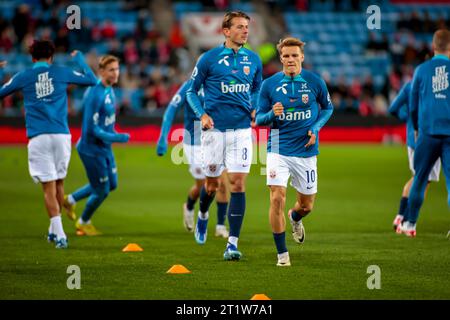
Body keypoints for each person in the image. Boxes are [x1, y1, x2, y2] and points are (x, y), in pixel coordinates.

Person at [0, 40, 97, 248]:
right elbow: (92, 80)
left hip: (39, 137)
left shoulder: (24, 76)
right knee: (59, 183)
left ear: (32, 57)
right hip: (62, 136)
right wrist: (80, 60)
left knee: (48, 188)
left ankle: (60, 234)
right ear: (51, 57)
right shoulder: (61, 72)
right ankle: (54, 231)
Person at [186, 11, 262, 261]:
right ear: (226, 31)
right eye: (240, 27)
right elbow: (191, 93)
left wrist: (254, 107)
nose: (245, 31)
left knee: (238, 183)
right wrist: (202, 115)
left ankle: (232, 243)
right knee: (212, 186)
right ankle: (203, 216)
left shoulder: (253, 59)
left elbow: (257, 89)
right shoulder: (208, 59)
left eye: (247, 27)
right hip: (214, 132)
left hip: (241, 131)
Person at [256, 37, 333, 266]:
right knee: (277, 198)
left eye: (294, 55)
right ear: (281, 58)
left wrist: (315, 128)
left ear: (302, 57)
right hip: (277, 147)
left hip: (306, 151)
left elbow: (328, 107)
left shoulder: (315, 81)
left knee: (306, 205)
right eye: (286, 56)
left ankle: (295, 217)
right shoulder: (268, 85)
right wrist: (272, 114)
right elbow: (259, 119)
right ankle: (282, 254)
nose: (290, 59)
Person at [63, 55, 130, 236]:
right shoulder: (94, 93)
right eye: (111, 70)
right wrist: (118, 137)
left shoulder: (109, 90)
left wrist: (113, 135)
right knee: (102, 190)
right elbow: (92, 130)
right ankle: (83, 222)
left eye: (117, 69)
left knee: (112, 184)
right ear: (101, 72)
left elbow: (107, 122)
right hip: (91, 149)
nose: (116, 73)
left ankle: (70, 199)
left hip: (105, 147)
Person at [156, 79, 230, 238]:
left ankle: (220, 226)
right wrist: (163, 137)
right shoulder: (189, 86)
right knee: (204, 186)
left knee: (222, 183)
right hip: (194, 143)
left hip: (216, 139)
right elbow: (171, 110)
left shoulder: (220, 82)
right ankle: (189, 206)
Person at [399, 29, 450, 237]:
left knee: (419, 178)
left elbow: (412, 106)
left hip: (427, 133)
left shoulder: (421, 70)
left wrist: (417, 129)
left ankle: (410, 223)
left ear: (433, 45)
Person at [388, 81, 441, 231]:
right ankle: (405, 219)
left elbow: (393, 108)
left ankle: (403, 217)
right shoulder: (437, 84)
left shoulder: (409, 85)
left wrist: (409, 120)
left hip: (412, 139)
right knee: (422, 179)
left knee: (420, 178)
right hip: (430, 136)